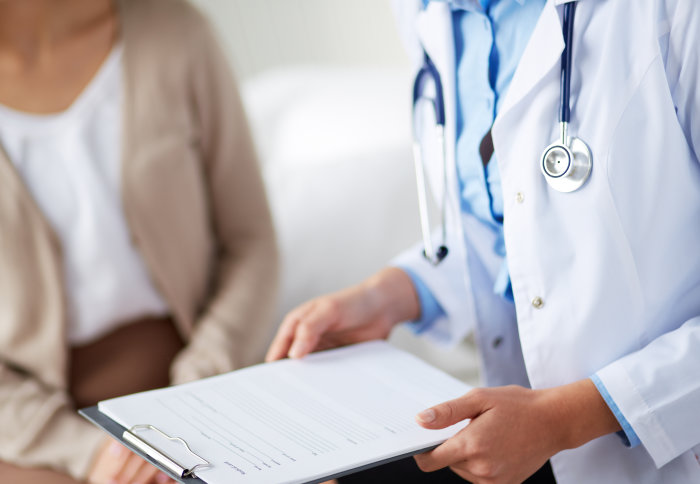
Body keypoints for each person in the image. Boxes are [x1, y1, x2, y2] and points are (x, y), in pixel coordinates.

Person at [266, 0, 700, 482]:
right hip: (519, 444)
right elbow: (511, 229)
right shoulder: (428, 13)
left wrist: (565, 418)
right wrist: (391, 294)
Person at [0, 0, 278, 483]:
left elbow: (251, 243)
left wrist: (199, 395)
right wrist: (90, 453)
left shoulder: (177, 35)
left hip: (203, 390)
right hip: (30, 435)